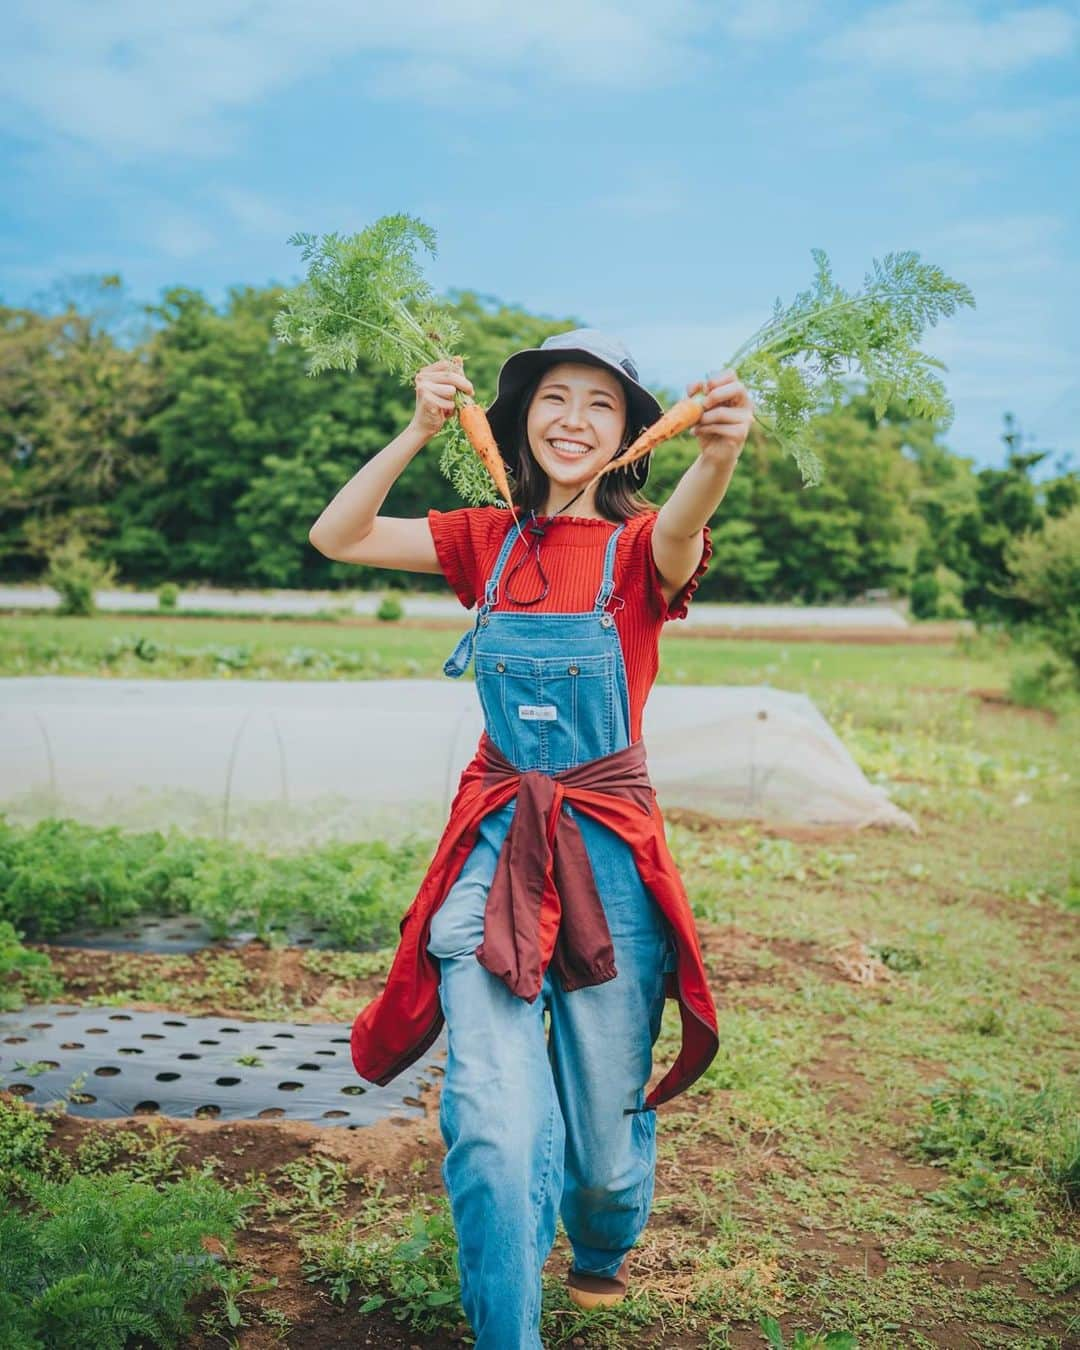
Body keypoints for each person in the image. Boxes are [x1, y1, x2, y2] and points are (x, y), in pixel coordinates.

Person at [308, 329, 753, 1348]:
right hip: (498, 841)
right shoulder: (484, 539)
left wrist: (718, 456)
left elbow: (685, 523)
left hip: (607, 852)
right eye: (556, 398)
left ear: (635, 438)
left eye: (603, 406)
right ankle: (506, 1331)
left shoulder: (644, 549)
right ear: (520, 421)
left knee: (602, 1142)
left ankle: (601, 1240)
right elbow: (341, 534)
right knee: (495, 1121)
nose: (574, 420)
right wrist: (418, 428)